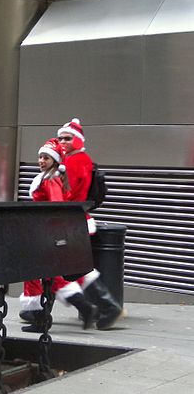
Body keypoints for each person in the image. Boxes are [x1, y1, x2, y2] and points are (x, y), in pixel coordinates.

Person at [19, 138, 99, 332]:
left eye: (46, 157)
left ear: (54, 160)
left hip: (47, 235)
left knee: (41, 275)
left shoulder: (51, 179)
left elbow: (56, 207)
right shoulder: (50, 177)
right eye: (39, 157)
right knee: (50, 276)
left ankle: (42, 318)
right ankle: (81, 309)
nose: (41, 161)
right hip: (46, 234)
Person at [57, 118, 123, 330]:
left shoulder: (75, 162)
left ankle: (106, 306)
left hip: (72, 222)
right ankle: (99, 307)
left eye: (67, 138)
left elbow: (67, 195)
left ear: (77, 139)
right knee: (74, 268)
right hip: (75, 222)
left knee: (76, 268)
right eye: (60, 138)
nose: (63, 142)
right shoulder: (78, 160)